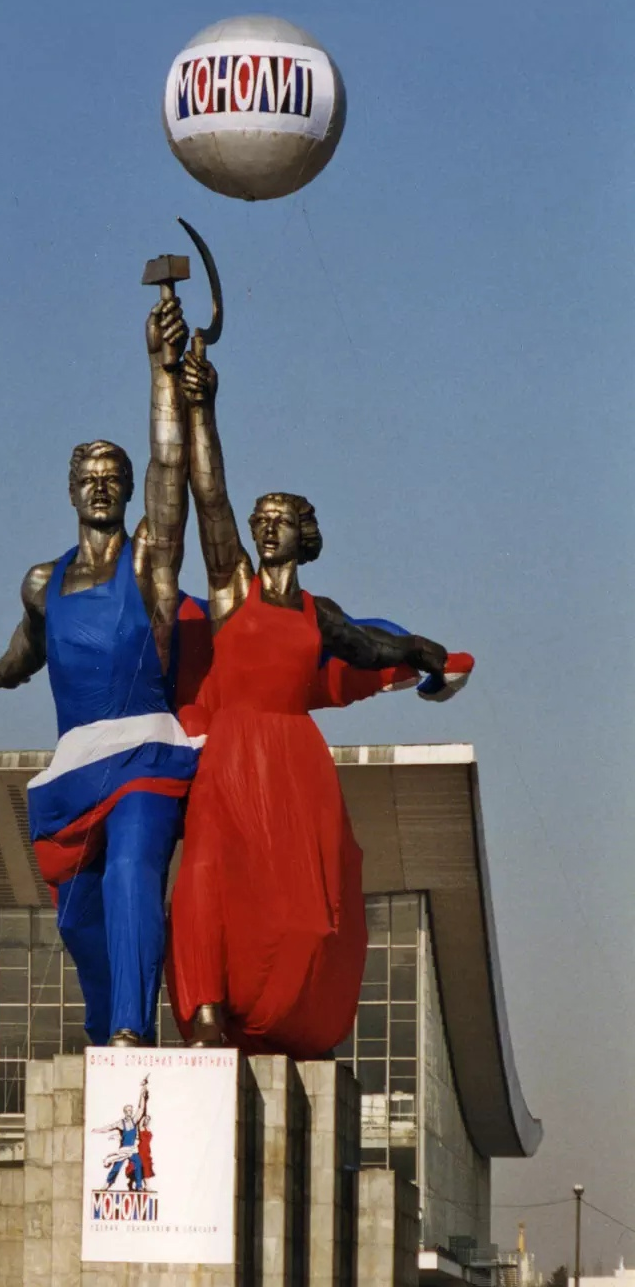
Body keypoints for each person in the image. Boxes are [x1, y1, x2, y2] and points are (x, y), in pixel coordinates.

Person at [167, 342, 470, 1053]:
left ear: (304, 536)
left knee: (309, 911)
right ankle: (207, 1007)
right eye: (260, 517)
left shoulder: (318, 613)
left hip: (296, 763)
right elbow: (209, 497)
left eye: (280, 518)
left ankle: (296, 1013)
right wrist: (202, 409)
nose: (265, 524)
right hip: (234, 751)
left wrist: (420, 652)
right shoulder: (230, 587)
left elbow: (369, 647)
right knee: (208, 867)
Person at [0, 296, 199, 1046]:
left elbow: (171, 463)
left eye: (112, 476)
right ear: (71, 491)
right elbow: (29, 643)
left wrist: (160, 370)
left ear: (127, 492)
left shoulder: (148, 562)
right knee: (77, 914)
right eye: (87, 477)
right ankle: (108, 1028)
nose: (100, 486)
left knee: (134, 870)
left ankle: (134, 1027)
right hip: (76, 766)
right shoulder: (42, 580)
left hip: (146, 757)